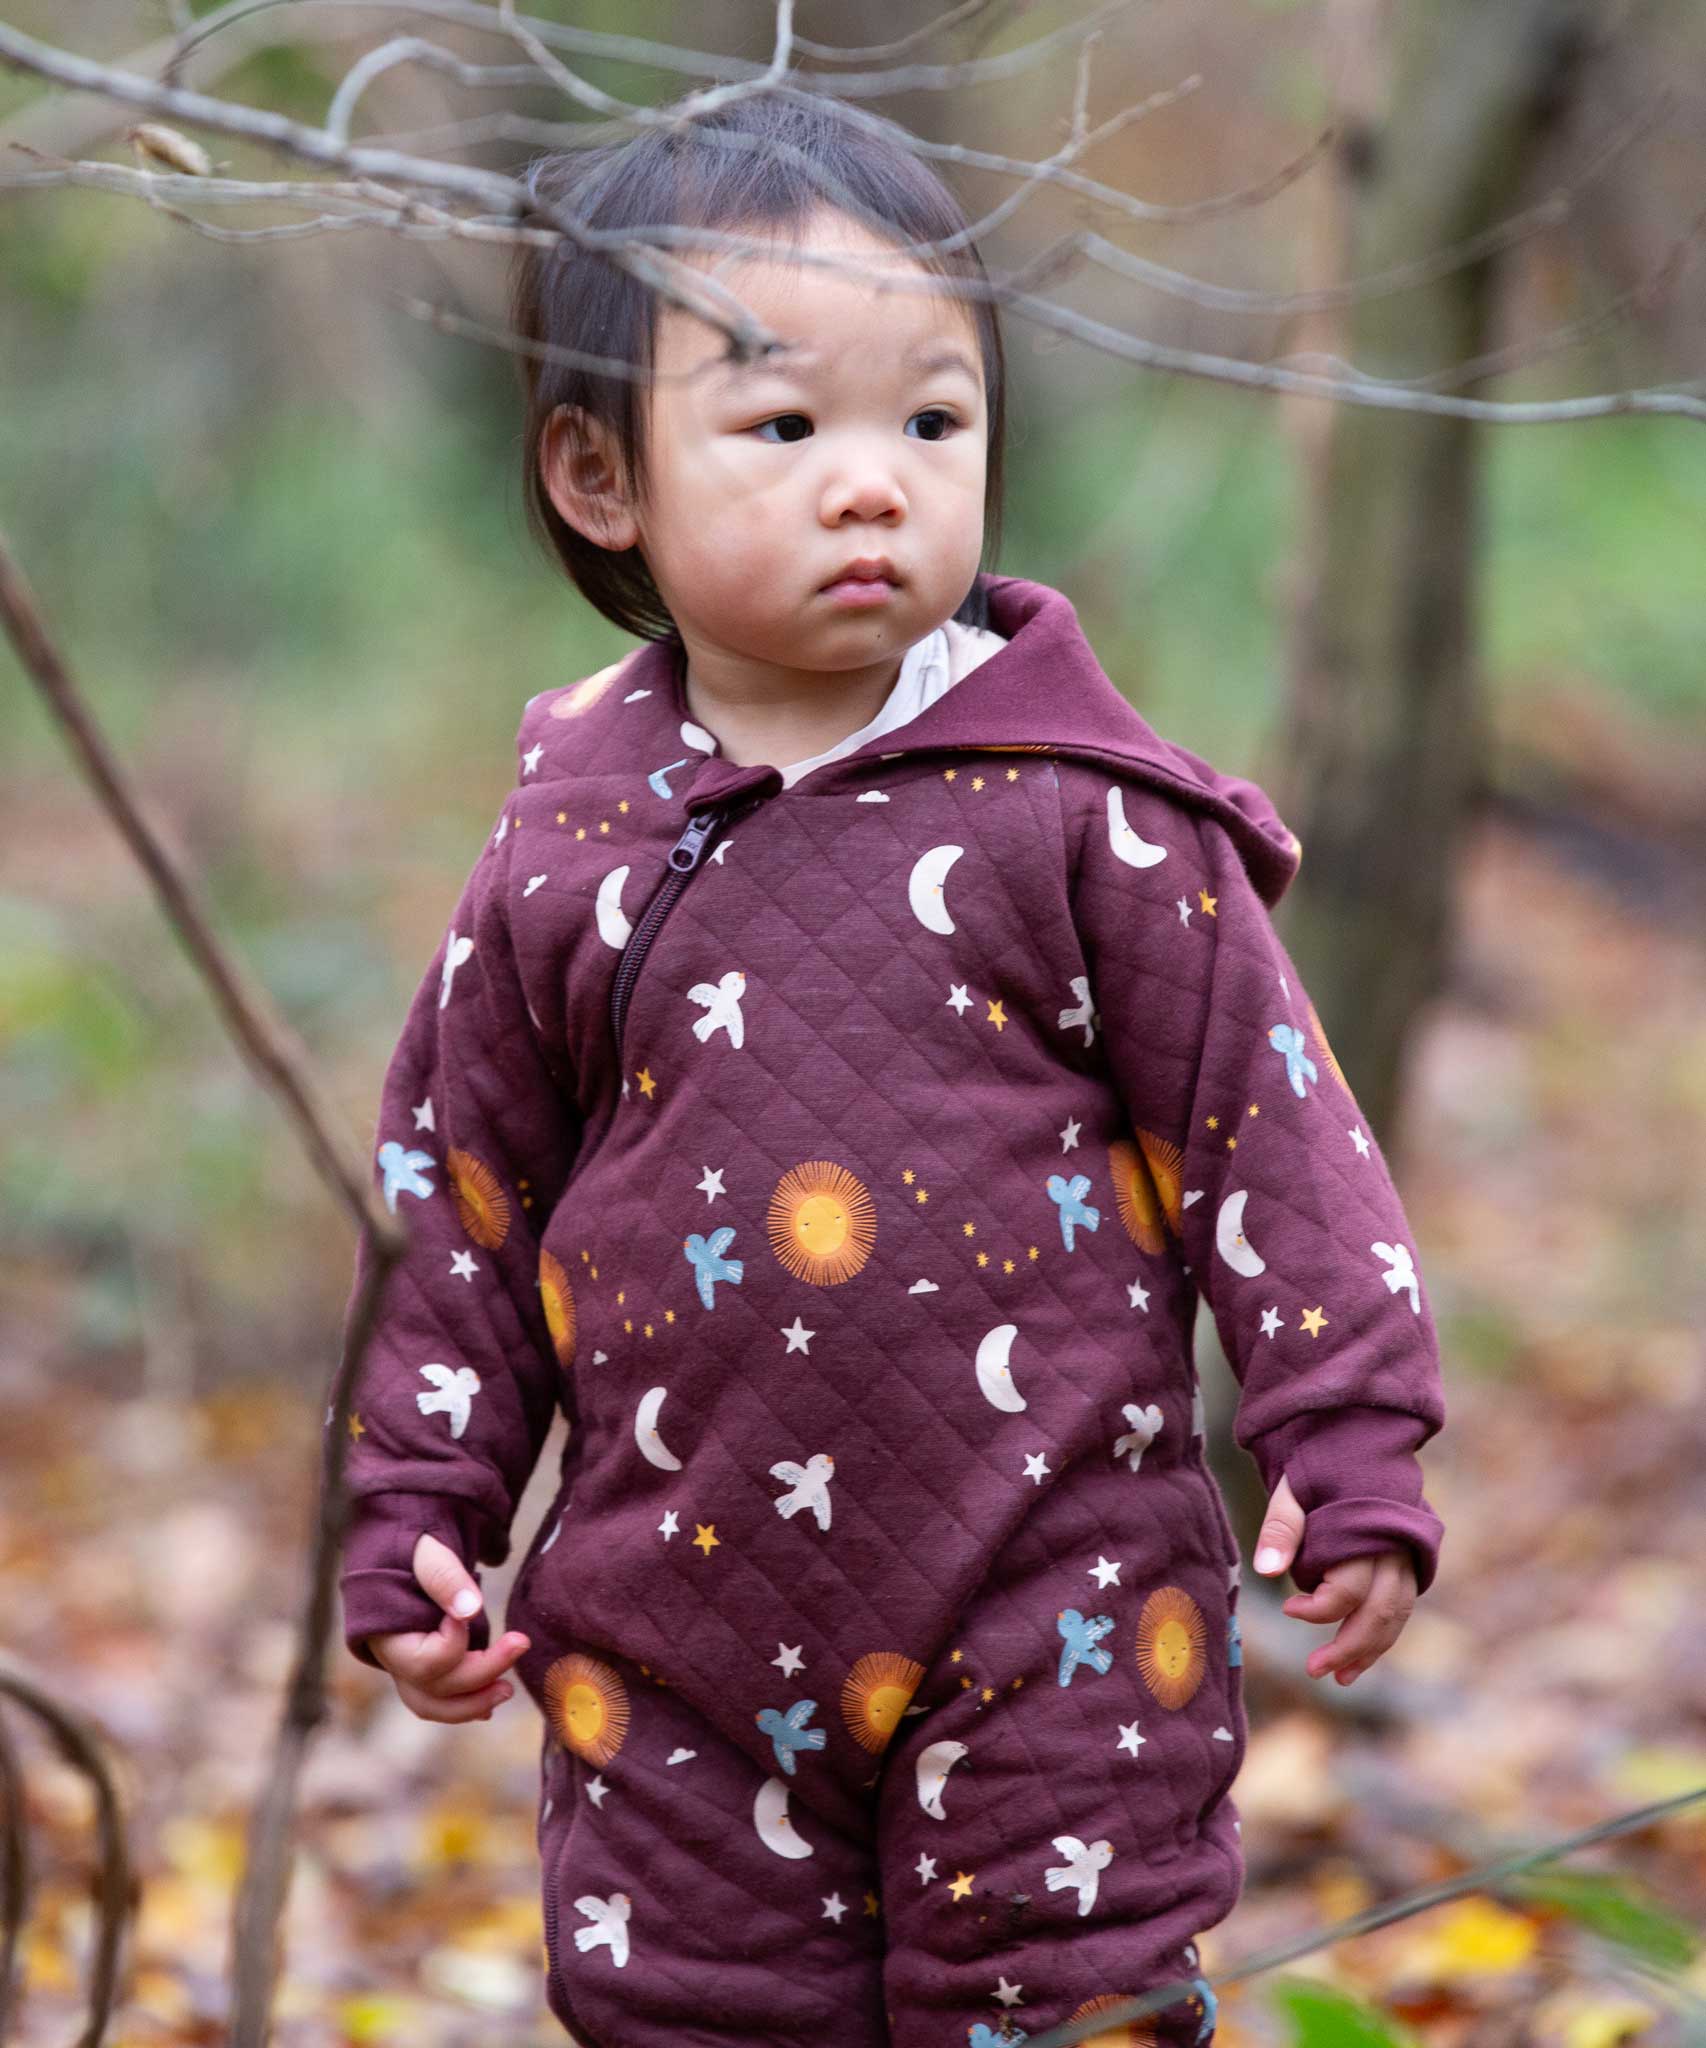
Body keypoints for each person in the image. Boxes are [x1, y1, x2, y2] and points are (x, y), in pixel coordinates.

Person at [331, 85, 1447, 2048]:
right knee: (689, 2017)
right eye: (783, 428)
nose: (873, 484)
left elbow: (1268, 1127)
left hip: (1060, 1600)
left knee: (1064, 2007)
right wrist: (419, 1505)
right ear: (601, 479)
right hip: (671, 1626)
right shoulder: (565, 856)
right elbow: (461, 1209)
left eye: (929, 421)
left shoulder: (1087, 820)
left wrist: (1345, 1441)